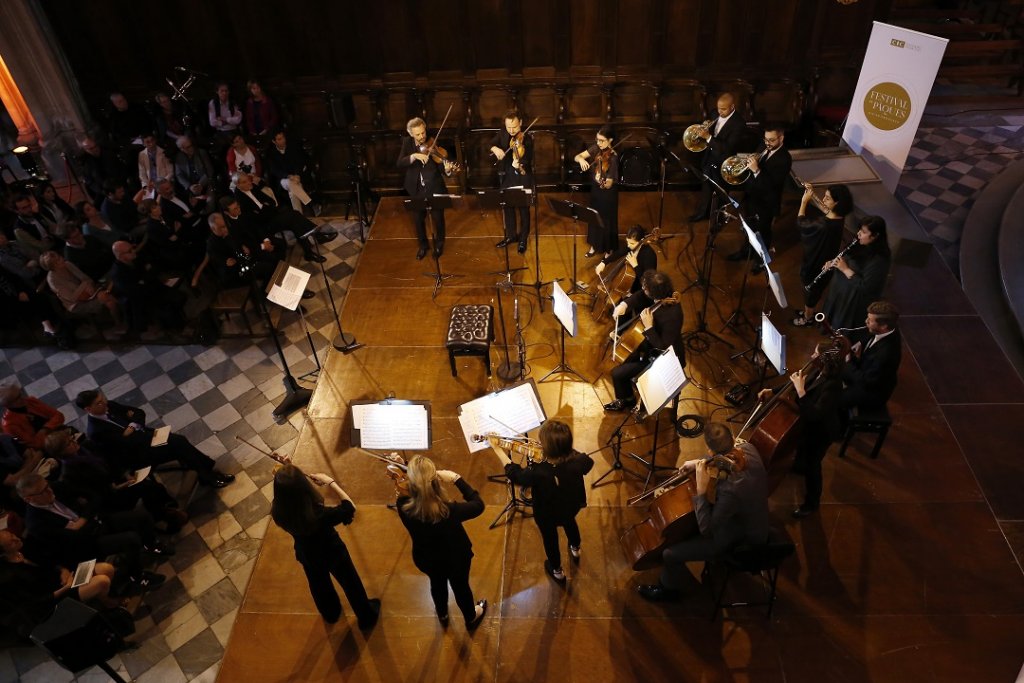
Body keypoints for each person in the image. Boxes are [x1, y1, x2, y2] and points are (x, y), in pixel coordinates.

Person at [637, 422, 769, 601]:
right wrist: (699, 463)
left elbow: (707, 530)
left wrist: (701, 490)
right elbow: (723, 458)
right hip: (751, 516)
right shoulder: (747, 448)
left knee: (670, 554)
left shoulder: (731, 489)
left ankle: (669, 590)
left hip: (741, 536)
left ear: (709, 449)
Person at [16, 473, 169, 593]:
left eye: (47, 486)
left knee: (140, 516)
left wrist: (83, 519)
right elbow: (74, 539)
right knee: (130, 539)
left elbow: (93, 497)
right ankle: (136, 576)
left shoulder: (54, 488)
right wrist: (90, 519)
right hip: (85, 547)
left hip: (95, 523)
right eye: (43, 491)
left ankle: (152, 545)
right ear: (29, 499)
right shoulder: (36, 522)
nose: (49, 491)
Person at [270, 463, 380, 628]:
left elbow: (289, 490)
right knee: (350, 583)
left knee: (318, 584)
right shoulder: (320, 515)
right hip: (332, 552)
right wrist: (330, 482)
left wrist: (287, 467)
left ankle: (330, 612)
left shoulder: (278, 510)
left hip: (306, 554)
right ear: (303, 486)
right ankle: (366, 616)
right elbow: (350, 507)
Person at [75, 389, 235, 488]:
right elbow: (123, 446)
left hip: (145, 437)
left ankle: (205, 473)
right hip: (138, 454)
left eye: (103, 399)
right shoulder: (96, 431)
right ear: (88, 409)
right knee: (179, 444)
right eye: (99, 403)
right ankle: (207, 473)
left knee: (179, 442)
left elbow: (138, 413)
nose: (105, 403)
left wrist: (131, 426)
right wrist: (134, 429)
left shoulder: (109, 406)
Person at [396, 456, 487, 629]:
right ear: (435, 483)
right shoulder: (449, 511)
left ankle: (443, 614)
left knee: (436, 583)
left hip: (426, 559)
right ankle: (471, 617)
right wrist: (456, 479)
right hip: (456, 559)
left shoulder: (402, 505)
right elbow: (478, 505)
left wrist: (408, 470)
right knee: (461, 587)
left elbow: (410, 492)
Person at [499, 421, 594, 583]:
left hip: (547, 514)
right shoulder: (578, 461)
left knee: (550, 539)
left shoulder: (538, 472)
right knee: (570, 523)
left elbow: (515, 474)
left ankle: (556, 569)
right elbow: (588, 462)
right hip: (571, 506)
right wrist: (567, 452)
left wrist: (498, 450)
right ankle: (575, 547)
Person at [758, 343, 844, 518]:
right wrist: (772, 390)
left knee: (813, 466)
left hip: (821, 432)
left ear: (824, 361)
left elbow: (816, 414)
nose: (812, 356)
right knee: (801, 450)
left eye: (816, 354)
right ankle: (798, 466)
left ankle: (812, 503)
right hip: (807, 425)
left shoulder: (833, 385)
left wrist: (800, 390)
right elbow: (799, 381)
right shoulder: (818, 369)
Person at [604, 270, 684, 412]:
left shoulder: (673, 315)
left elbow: (663, 348)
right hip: (646, 344)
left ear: (654, 292)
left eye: (646, 288)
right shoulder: (660, 295)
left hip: (661, 358)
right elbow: (640, 296)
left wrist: (649, 327)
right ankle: (628, 398)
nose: (643, 289)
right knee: (624, 361)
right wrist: (624, 305)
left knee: (617, 373)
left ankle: (626, 401)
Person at [730, 125, 792, 272]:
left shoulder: (784, 159)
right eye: (765, 139)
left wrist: (756, 170)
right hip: (752, 197)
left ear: (781, 138)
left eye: (771, 140)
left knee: (763, 234)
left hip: (767, 203)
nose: (767, 143)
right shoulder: (763, 146)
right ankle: (746, 251)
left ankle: (760, 261)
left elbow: (772, 186)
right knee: (749, 228)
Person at [792, 183, 853, 327]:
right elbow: (826, 210)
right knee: (814, 290)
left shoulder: (823, 225)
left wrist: (804, 201)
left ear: (837, 203)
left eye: (827, 198)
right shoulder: (839, 216)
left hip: (815, 262)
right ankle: (809, 312)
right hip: (826, 256)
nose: (823, 200)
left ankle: (808, 318)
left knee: (811, 292)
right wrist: (812, 194)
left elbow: (801, 223)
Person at [398, 117, 456, 260]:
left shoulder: (432, 141)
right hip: (416, 188)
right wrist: (414, 156)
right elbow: (400, 163)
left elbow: (441, 164)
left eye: (423, 133)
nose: (422, 137)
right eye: (417, 134)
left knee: (438, 219)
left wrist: (448, 170)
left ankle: (439, 245)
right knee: (418, 220)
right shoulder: (407, 143)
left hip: (435, 187)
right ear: (411, 134)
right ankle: (423, 246)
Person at [820, 215, 891, 332]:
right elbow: (845, 258)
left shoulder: (880, 260)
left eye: (863, 232)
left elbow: (867, 287)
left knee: (841, 328)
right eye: (859, 230)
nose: (858, 234)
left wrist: (845, 269)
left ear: (875, 236)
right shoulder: (858, 242)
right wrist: (834, 264)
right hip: (840, 292)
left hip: (852, 302)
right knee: (831, 320)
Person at [689, 93, 747, 222]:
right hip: (709, 156)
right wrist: (705, 125)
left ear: (732, 107)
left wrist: (708, 137)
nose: (719, 112)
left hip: (723, 161)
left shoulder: (739, 123)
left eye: (723, 109)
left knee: (720, 191)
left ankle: (717, 217)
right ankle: (702, 213)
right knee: (706, 187)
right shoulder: (715, 112)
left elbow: (727, 148)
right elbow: (711, 125)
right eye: (718, 108)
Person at [839, 301, 902, 412]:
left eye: (870, 320)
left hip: (872, 392)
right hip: (867, 373)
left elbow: (866, 381)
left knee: (834, 399)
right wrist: (861, 344)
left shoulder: (886, 354)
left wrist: (848, 363)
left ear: (883, 326)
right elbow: (871, 339)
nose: (866, 321)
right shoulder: (888, 330)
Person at [489, 111, 534, 254]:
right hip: (507, 177)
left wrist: (518, 163)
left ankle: (523, 239)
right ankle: (511, 236)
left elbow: (528, 158)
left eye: (514, 127)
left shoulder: (527, 138)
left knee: (523, 209)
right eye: (509, 127)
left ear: (520, 122)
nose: (512, 131)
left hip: (522, 175)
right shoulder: (503, 133)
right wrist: (495, 148)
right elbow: (490, 143)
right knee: (507, 207)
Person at [574, 125, 619, 258]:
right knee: (594, 217)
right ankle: (594, 245)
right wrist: (581, 159)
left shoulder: (613, 158)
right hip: (596, 191)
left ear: (610, 140)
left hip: (607, 194)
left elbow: (609, 184)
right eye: (597, 140)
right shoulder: (596, 148)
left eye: (602, 140)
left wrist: (602, 182)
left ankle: (608, 249)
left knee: (606, 220)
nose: (598, 143)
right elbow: (578, 156)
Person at [39, 250, 121, 323]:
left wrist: (90, 290)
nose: (61, 260)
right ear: (52, 267)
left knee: (112, 291)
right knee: (110, 300)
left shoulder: (67, 264)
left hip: (90, 292)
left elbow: (86, 279)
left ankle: (122, 322)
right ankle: (122, 323)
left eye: (59, 257)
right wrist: (85, 286)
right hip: (76, 304)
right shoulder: (53, 280)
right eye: (57, 262)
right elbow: (71, 297)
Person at [595, 224, 658, 301]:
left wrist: (635, 265)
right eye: (627, 242)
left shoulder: (649, 256)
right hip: (629, 287)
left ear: (641, 241)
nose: (628, 245)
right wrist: (604, 263)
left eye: (631, 243)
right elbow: (619, 252)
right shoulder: (632, 245)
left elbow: (647, 282)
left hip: (640, 291)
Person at [0, 383, 68, 450]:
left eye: (20, 394)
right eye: (17, 398)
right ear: (7, 405)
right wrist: (52, 428)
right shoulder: (9, 425)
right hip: (49, 448)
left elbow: (59, 416)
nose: (22, 398)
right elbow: (35, 444)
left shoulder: (31, 401)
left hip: (61, 431)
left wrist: (45, 429)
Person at [266, 130, 314, 213]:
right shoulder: (271, 153)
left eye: (283, 137)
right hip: (282, 179)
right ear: (274, 141)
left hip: (297, 177)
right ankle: (310, 204)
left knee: (292, 193)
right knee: (289, 182)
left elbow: (300, 163)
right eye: (279, 139)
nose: (283, 140)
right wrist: (289, 176)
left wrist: (297, 175)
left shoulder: (293, 148)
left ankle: (299, 215)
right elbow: (275, 170)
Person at [136, 133, 173, 198]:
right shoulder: (141, 154)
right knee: (148, 203)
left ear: (155, 140)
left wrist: (161, 184)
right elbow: (142, 173)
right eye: (147, 142)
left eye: (152, 140)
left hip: (163, 183)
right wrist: (145, 186)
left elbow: (170, 172)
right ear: (144, 144)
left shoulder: (163, 152)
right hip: (150, 184)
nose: (151, 143)